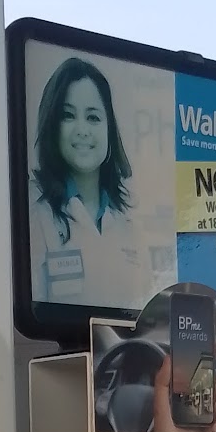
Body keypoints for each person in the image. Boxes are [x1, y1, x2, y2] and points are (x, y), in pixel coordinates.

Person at [29, 56, 148, 311]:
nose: (82, 129)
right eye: (68, 116)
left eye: (93, 117)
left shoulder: (130, 225)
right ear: (52, 125)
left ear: (109, 130)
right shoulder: (34, 214)